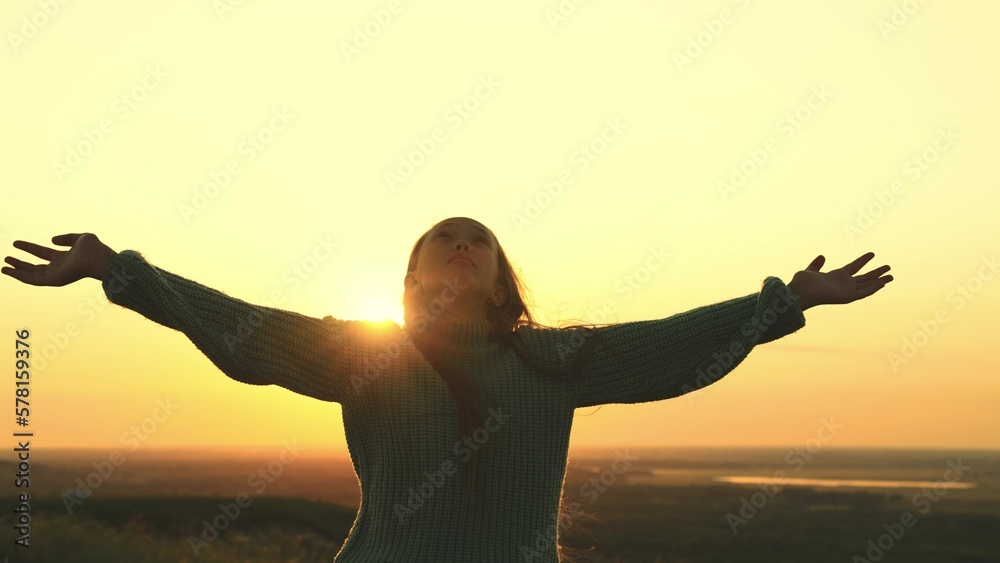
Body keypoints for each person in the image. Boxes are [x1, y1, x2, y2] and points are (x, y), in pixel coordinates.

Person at [2, 219, 893, 561]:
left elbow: (676, 347)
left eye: (479, 242)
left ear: (504, 277)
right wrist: (118, 270)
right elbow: (248, 330)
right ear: (412, 278)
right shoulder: (370, 358)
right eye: (443, 241)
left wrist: (788, 300)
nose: (462, 248)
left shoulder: (559, 360)